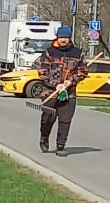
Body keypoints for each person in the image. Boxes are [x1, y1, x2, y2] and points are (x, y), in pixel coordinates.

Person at [35, 25, 87, 156]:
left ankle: (61, 146)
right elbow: (42, 72)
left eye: (66, 37)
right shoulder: (49, 52)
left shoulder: (78, 53)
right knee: (47, 119)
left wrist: (71, 81)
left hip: (69, 94)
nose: (63, 40)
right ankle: (44, 137)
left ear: (69, 38)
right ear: (57, 38)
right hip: (50, 92)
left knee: (65, 120)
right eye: (61, 37)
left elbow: (83, 71)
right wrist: (55, 84)